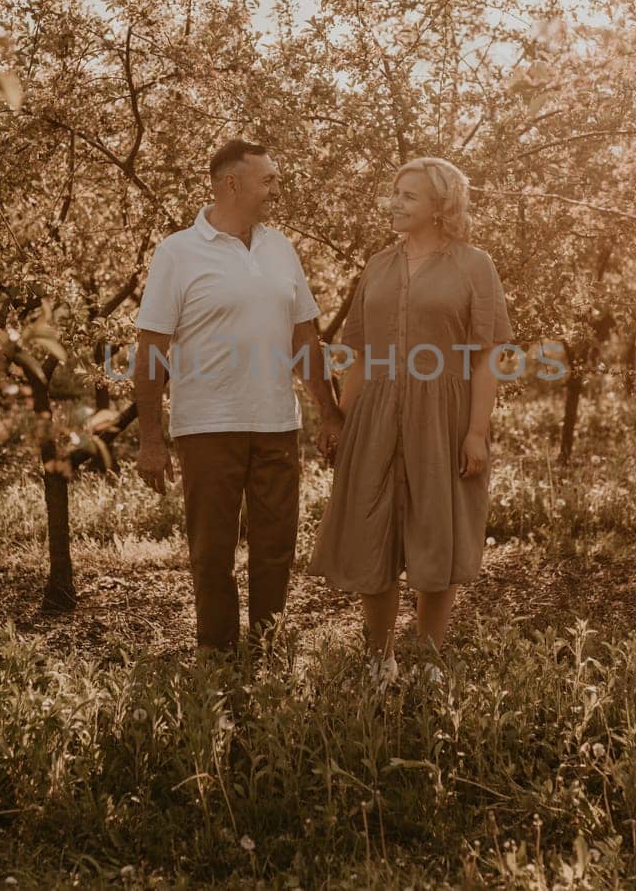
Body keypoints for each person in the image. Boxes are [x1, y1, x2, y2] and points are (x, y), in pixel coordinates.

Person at [133, 138, 342, 653]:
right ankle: (218, 655)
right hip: (207, 426)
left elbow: (305, 337)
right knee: (212, 552)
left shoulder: (280, 247)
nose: (277, 188)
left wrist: (329, 412)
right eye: (267, 179)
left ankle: (267, 648)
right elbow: (151, 349)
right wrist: (151, 440)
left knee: (276, 548)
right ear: (233, 183)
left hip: (277, 424)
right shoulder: (177, 252)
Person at [308, 157, 512, 678]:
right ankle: (379, 660)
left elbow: (487, 355)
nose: (394, 203)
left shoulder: (474, 266)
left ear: (440, 208)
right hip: (374, 411)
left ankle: (427, 657)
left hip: (442, 414)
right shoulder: (377, 265)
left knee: (434, 528)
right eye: (394, 193)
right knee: (371, 527)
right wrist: (342, 421)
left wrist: (476, 432)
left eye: (408, 196)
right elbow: (357, 351)